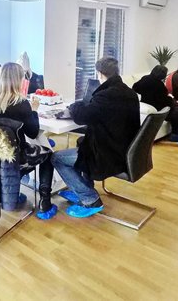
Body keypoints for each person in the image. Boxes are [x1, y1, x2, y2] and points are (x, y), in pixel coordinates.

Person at [52, 57, 140, 218]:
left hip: (107, 156)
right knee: (82, 143)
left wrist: (75, 105)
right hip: (125, 151)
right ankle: (82, 189)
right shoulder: (130, 93)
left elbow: (82, 117)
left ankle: (89, 198)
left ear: (100, 74)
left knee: (56, 158)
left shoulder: (105, 96)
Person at [0, 62, 57, 219]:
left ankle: (12, 191)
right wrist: (34, 111)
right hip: (17, 158)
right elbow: (32, 133)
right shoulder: (21, 103)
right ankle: (45, 202)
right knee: (49, 154)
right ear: (18, 80)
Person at [132, 65, 178, 147]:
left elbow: (135, 87)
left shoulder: (145, 78)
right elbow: (164, 101)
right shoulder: (159, 85)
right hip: (159, 109)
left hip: (149, 104)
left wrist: (144, 92)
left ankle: (176, 135)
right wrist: (172, 100)